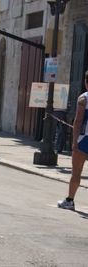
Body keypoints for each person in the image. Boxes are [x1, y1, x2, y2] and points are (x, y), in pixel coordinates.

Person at [57, 70, 88, 211]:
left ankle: (70, 200)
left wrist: (75, 140)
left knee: (76, 172)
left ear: (86, 83)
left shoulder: (83, 99)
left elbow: (78, 120)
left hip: (84, 139)